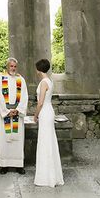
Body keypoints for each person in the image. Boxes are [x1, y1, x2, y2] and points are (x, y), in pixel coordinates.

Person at [0, 57, 28, 175]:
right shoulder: (0, 79)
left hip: (17, 113)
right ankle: (4, 165)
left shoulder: (20, 80)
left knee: (17, 140)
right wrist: (6, 111)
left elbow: (24, 96)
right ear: (7, 66)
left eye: (14, 66)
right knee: (5, 140)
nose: (13, 68)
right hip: (5, 113)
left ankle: (18, 165)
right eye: (11, 66)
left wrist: (18, 110)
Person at [33, 58, 64, 187]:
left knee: (45, 142)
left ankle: (46, 177)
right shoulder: (50, 81)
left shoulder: (43, 83)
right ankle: (53, 175)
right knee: (49, 141)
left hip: (44, 112)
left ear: (39, 69)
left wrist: (35, 115)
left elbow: (40, 103)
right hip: (49, 110)